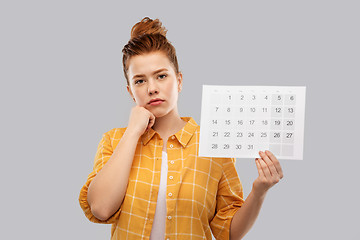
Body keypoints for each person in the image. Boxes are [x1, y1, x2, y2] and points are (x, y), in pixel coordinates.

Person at [79, 17, 283, 240]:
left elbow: (229, 232)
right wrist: (132, 132)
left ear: (179, 81)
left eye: (161, 76)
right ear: (130, 91)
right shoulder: (114, 140)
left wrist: (259, 191)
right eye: (140, 81)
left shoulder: (213, 145)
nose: (152, 88)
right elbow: (100, 208)